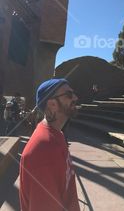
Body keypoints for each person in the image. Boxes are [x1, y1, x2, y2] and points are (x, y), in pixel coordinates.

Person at [19, 79, 81, 211]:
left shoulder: (57, 134)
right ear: (52, 104)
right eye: (69, 95)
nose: (75, 97)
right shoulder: (43, 151)